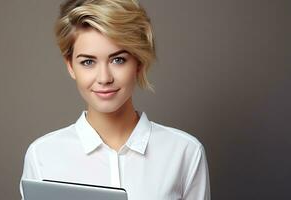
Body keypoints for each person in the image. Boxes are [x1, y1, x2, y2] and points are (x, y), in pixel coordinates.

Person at [20, 0, 210, 199]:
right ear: (70, 66)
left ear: (138, 62)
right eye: (88, 62)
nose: (104, 78)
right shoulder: (42, 155)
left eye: (118, 60)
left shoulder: (184, 152)